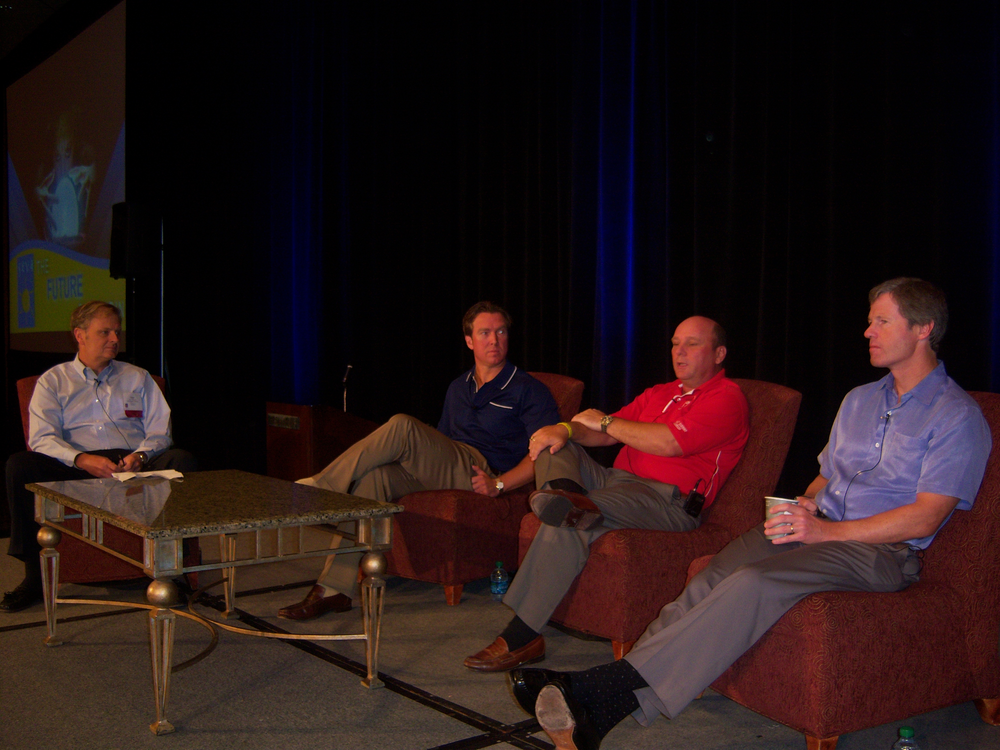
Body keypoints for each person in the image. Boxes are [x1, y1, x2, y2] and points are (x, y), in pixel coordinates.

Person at [507, 278, 992, 750]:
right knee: (713, 572)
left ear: (924, 328)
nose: (868, 332)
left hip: (879, 552)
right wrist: (807, 503)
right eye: (870, 322)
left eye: (881, 322)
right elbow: (826, 478)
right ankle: (608, 709)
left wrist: (826, 531)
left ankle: (599, 690)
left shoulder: (956, 415)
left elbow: (926, 517)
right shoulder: (860, 400)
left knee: (754, 582)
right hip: (819, 528)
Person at [464, 315, 750, 672]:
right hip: (615, 482)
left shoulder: (727, 399)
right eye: (675, 343)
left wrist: (602, 422)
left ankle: (523, 633)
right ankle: (563, 497)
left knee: (571, 519)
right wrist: (564, 429)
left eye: (692, 344)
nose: (679, 352)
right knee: (555, 446)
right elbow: (599, 433)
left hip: (666, 501)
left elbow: (667, 442)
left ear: (719, 353)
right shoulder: (659, 393)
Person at [276, 301, 561, 621]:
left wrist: (499, 483)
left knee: (401, 425)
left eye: (500, 332)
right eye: (485, 333)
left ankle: (320, 490)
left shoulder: (528, 389)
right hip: (451, 461)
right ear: (469, 341)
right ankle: (333, 590)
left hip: (483, 469)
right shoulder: (458, 387)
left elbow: (548, 454)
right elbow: (441, 443)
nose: (494, 340)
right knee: (376, 478)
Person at [3, 301, 196, 613]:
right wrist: (81, 459)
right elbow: (41, 438)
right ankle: (33, 577)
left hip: (132, 463)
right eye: (104, 332)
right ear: (79, 335)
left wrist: (141, 454)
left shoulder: (138, 377)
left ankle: (174, 570)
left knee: (182, 460)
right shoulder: (54, 381)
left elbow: (161, 430)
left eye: (116, 332)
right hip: (77, 466)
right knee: (19, 466)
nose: (114, 339)